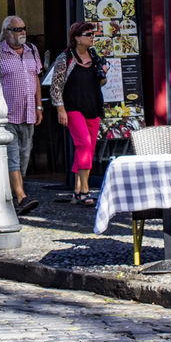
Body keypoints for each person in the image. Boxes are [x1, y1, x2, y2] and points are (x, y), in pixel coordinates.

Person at [0, 15, 43, 215]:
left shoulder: (32, 50)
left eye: (23, 28)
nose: (22, 32)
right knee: (13, 156)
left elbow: (36, 79)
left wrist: (39, 106)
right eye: (17, 29)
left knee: (24, 155)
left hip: (28, 112)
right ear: (6, 32)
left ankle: (11, 192)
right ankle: (21, 196)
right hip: (5, 114)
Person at [49, 21, 107, 206]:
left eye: (93, 34)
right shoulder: (66, 58)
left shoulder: (94, 56)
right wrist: (60, 109)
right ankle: (85, 189)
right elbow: (56, 86)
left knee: (88, 148)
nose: (92, 37)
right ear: (76, 38)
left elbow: (99, 83)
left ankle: (76, 191)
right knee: (84, 143)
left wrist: (103, 74)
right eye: (88, 34)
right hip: (73, 107)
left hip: (93, 106)